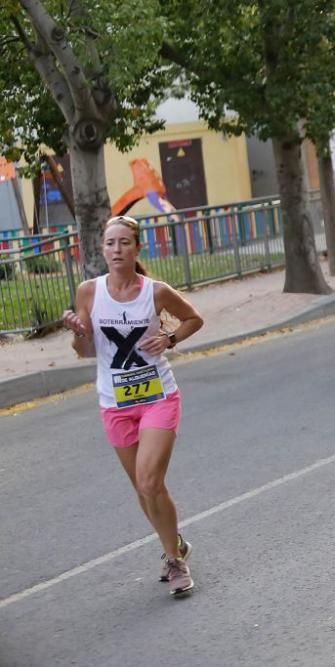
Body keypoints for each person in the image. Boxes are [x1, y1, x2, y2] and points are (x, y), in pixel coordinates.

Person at [61, 215, 204, 597]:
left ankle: (175, 561)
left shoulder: (154, 291)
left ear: (137, 248)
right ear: (102, 249)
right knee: (143, 490)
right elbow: (86, 351)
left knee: (149, 481)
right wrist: (78, 333)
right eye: (110, 243)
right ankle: (172, 544)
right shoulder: (89, 292)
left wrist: (169, 338)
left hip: (158, 397)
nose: (117, 250)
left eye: (125, 243)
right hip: (115, 403)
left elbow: (194, 318)